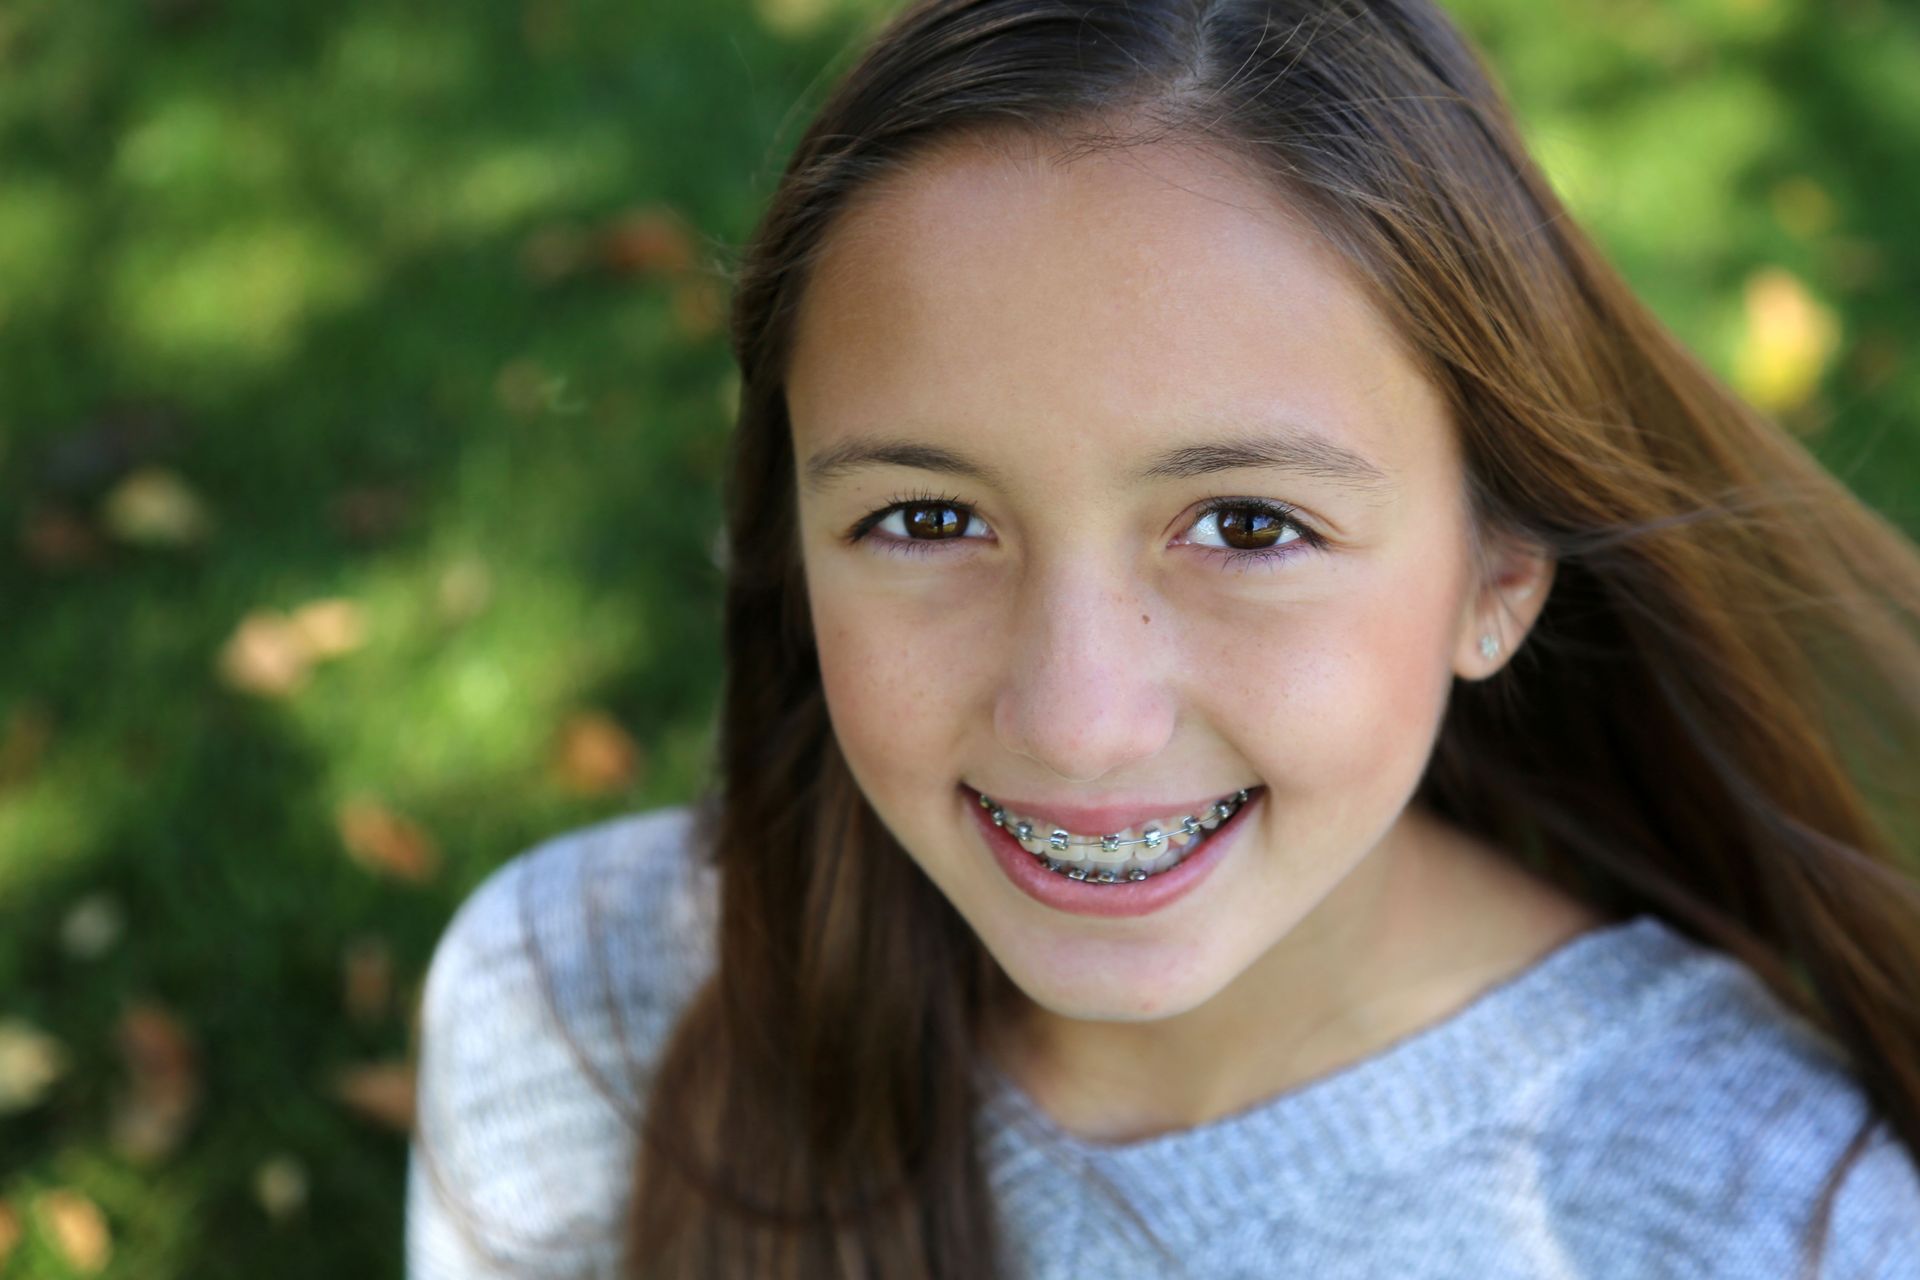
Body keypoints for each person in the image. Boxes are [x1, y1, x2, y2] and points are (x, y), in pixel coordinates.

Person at [405, 1, 1920, 1276]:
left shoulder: (1768, 1224)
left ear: (1500, 576)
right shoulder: (575, 1010)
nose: (1078, 715)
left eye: (1249, 528)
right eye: (929, 521)